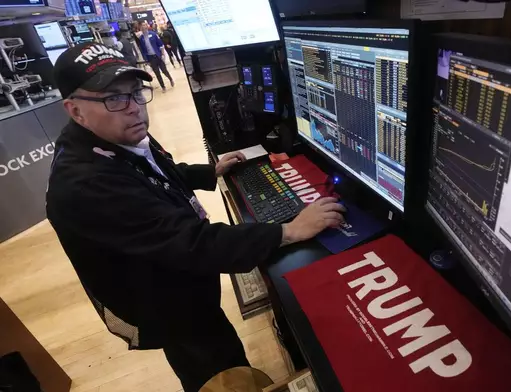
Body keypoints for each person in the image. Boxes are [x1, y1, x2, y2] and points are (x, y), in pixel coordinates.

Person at [46, 43, 345, 392]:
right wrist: (290, 230)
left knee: (220, 346)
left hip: (177, 278)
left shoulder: (113, 135)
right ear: (75, 110)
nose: (134, 109)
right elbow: (193, 244)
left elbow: (154, 173)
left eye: (136, 93)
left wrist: (209, 172)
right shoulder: (85, 185)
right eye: (114, 98)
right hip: (164, 301)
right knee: (215, 371)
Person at [137, 21, 174, 92]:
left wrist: (163, 54)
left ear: (147, 26)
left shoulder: (153, 34)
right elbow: (143, 51)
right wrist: (146, 60)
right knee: (157, 73)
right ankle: (163, 87)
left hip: (158, 56)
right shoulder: (141, 38)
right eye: (142, 26)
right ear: (140, 27)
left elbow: (160, 44)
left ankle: (170, 79)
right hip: (151, 58)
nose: (144, 27)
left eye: (145, 25)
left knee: (164, 70)